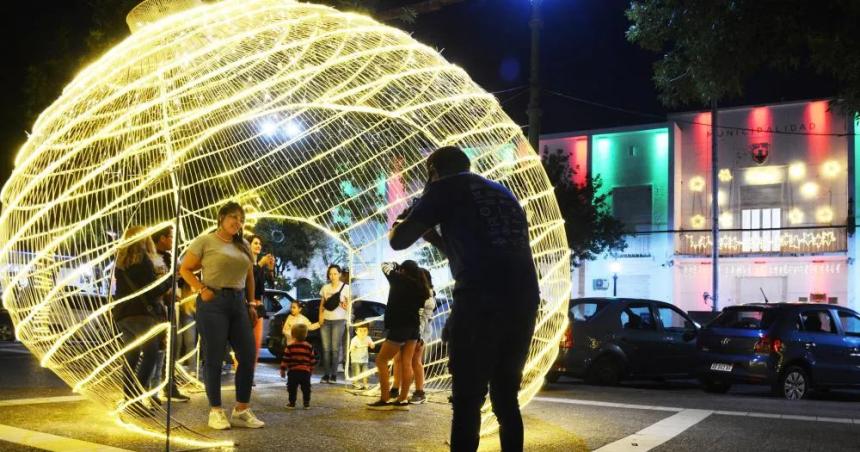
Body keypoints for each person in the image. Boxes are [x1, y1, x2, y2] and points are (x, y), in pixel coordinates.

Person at [388, 146, 540, 451]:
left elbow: (399, 241)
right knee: (506, 398)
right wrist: (435, 238)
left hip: (480, 302)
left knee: (468, 401)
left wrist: (398, 224)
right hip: (523, 299)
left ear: (433, 171)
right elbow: (472, 256)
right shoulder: (501, 192)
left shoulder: (444, 188)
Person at [179, 202, 264, 430]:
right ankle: (215, 411)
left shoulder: (244, 244)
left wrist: (252, 302)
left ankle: (241, 409)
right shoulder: (206, 241)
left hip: (238, 303)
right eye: (233, 217)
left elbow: (249, 276)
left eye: (241, 219)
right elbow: (185, 268)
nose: (238, 222)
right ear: (222, 218)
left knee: (247, 354)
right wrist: (201, 289)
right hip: (213, 302)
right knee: (214, 357)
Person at [113, 225, 173, 413]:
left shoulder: (120, 264)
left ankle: (128, 397)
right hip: (142, 315)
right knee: (151, 354)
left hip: (124, 315)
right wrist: (169, 281)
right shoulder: (144, 262)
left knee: (131, 357)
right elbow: (152, 290)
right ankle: (136, 399)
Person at [366, 260, 429, 411]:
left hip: (399, 327)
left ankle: (385, 398)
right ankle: (403, 399)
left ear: (403, 270)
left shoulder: (399, 279)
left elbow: (384, 266)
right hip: (413, 328)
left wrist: (395, 265)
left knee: (381, 360)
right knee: (407, 362)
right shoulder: (421, 287)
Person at [149, 225, 190, 403]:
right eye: (171, 237)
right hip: (154, 309)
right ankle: (151, 390)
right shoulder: (149, 258)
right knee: (154, 350)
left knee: (170, 347)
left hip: (170, 308)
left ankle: (168, 385)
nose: (173, 241)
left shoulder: (169, 258)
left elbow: (184, 271)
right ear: (162, 238)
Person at [247, 234, 275, 372]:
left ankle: (251, 373)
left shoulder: (261, 266)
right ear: (249, 245)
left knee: (257, 342)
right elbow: (249, 279)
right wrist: (260, 264)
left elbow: (270, 285)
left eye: (260, 244)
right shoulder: (246, 262)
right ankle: (243, 371)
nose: (259, 246)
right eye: (255, 243)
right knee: (246, 342)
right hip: (247, 304)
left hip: (259, 304)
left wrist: (270, 269)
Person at [318, 264, 350, 384]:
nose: (333, 276)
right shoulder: (325, 288)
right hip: (326, 320)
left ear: (340, 274)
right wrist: (320, 317)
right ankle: (326, 374)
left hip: (339, 320)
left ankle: (334, 375)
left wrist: (344, 305)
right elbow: (322, 304)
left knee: (335, 349)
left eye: (335, 273)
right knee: (326, 349)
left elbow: (349, 306)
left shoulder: (346, 288)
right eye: (330, 274)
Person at [279, 323, 317, 409]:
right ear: (306, 334)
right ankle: (306, 403)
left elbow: (285, 359)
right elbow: (312, 360)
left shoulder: (290, 347)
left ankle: (292, 403)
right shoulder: (309, 346)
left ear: (292, 335)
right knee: (306, 388)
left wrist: (282, 370)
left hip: (293, 372)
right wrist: (311, 369)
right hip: (305, 372)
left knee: (292, 388)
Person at [349, 324, 375, 389]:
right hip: (355, 360)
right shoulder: (354, 339)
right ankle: (355, 384)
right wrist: (354, 347)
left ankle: (365, 384)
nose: (363, 333)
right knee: (356, 372)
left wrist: (371, 344)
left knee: (365, 373)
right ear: (356, 331)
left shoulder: (368, 338)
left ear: (368, 331)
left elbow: (372, 346)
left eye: (365, 331)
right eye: (360, 331)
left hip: (365, 359)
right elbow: (350, 349)